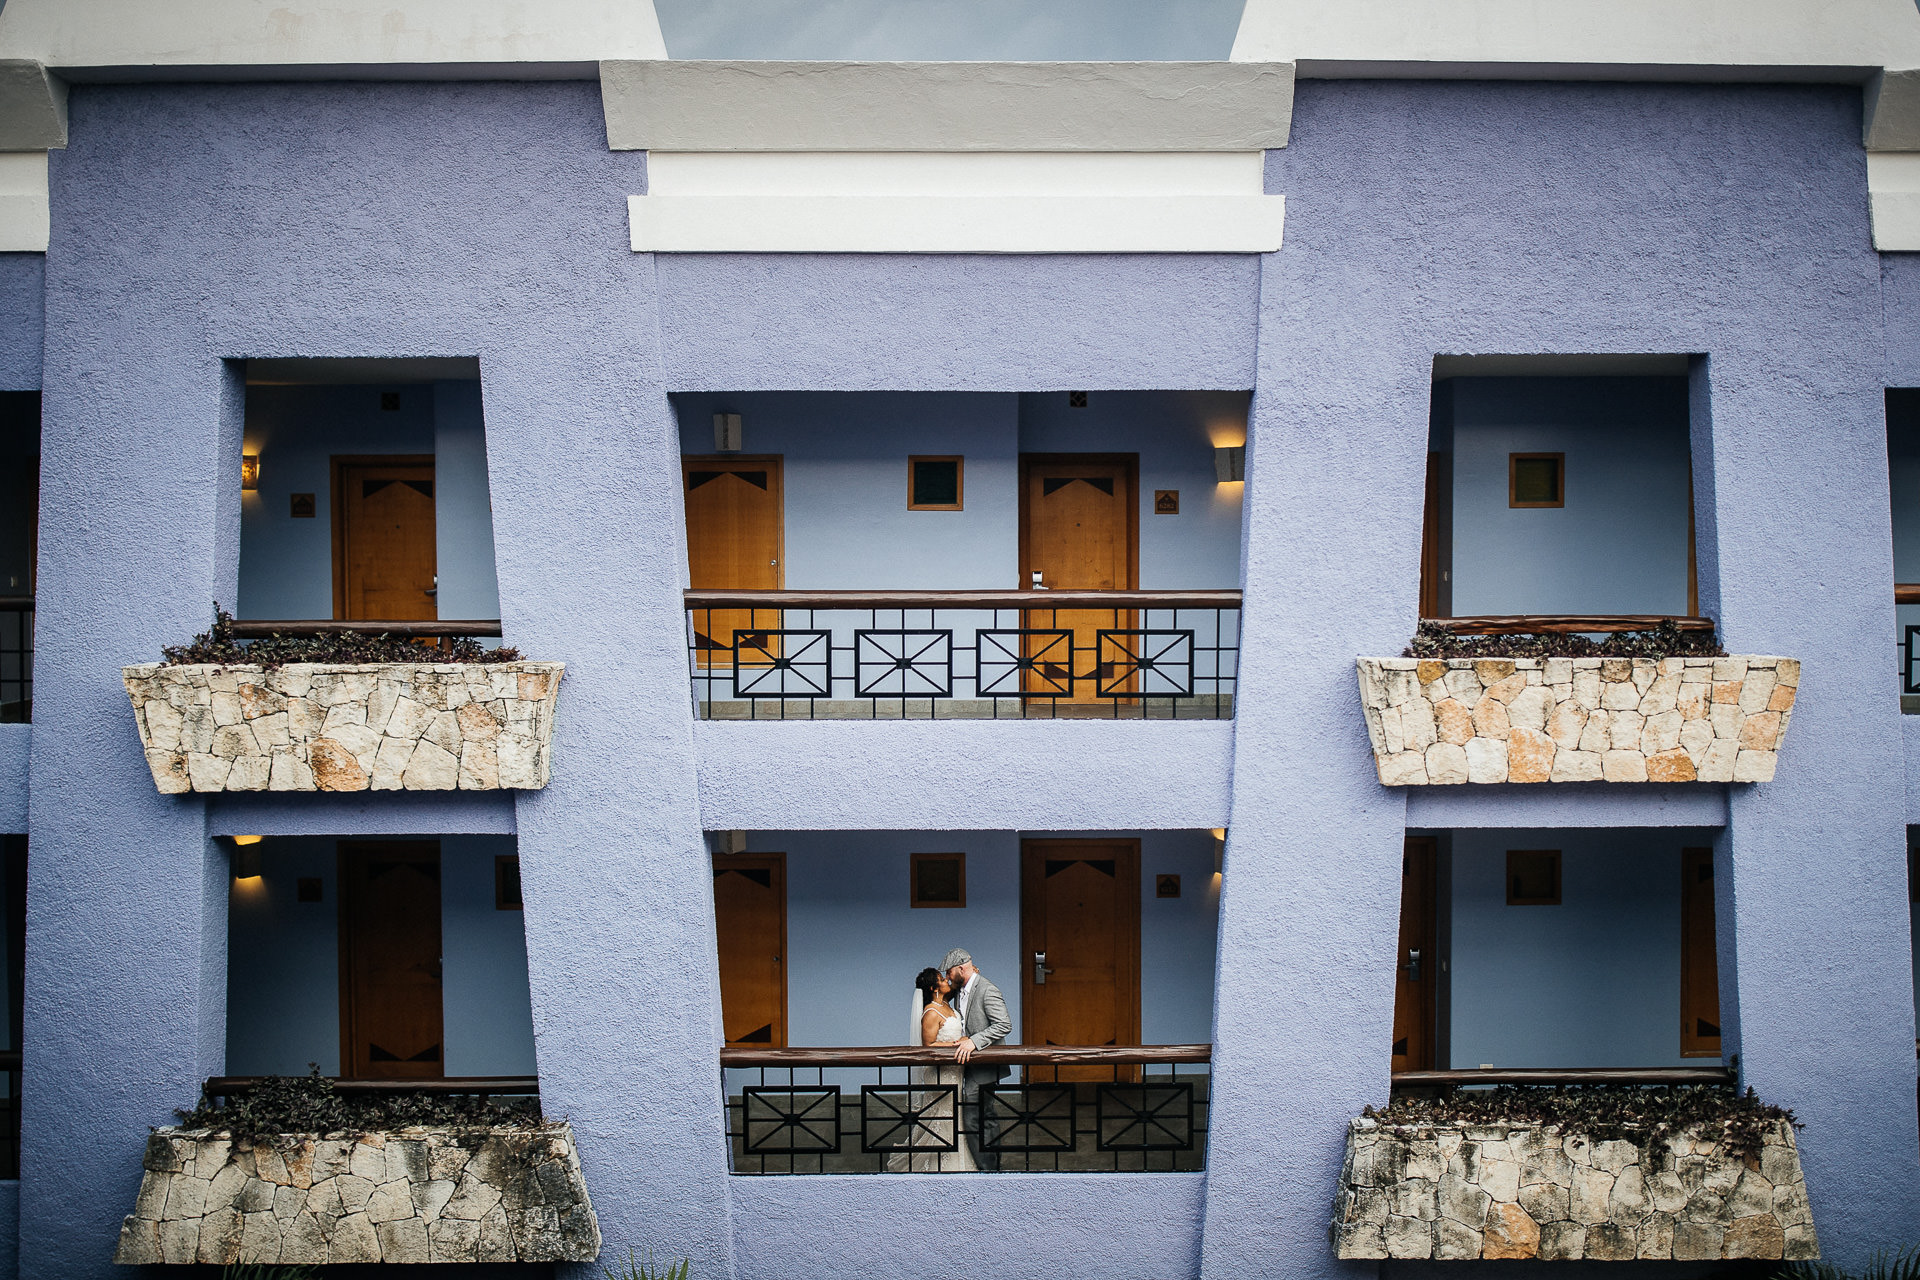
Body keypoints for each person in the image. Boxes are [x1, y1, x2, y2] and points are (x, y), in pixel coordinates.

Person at [899, 966, 976, 1172]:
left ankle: (958, 1159)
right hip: (941, 1073)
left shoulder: (948, 1007)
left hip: (955, 1071)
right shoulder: (931, 1012)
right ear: (934, 988)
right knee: (941, 1115)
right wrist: (955, 1045)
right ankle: (937, 1163)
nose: (946, 982)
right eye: (942, 980)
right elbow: (928, 1045)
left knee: (955, 1112)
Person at [943, 947, 1012, 1171]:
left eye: (949, 972)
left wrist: (974, 1041)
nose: (947, 977)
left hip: (985, 1065)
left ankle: (988, 1171)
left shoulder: (987, 990)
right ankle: (985, 1167)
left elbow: (1004, 1025)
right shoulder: (960, 989)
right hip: (969, 1064)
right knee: (979, 1116)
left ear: (961, 968)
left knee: (977, 1118)